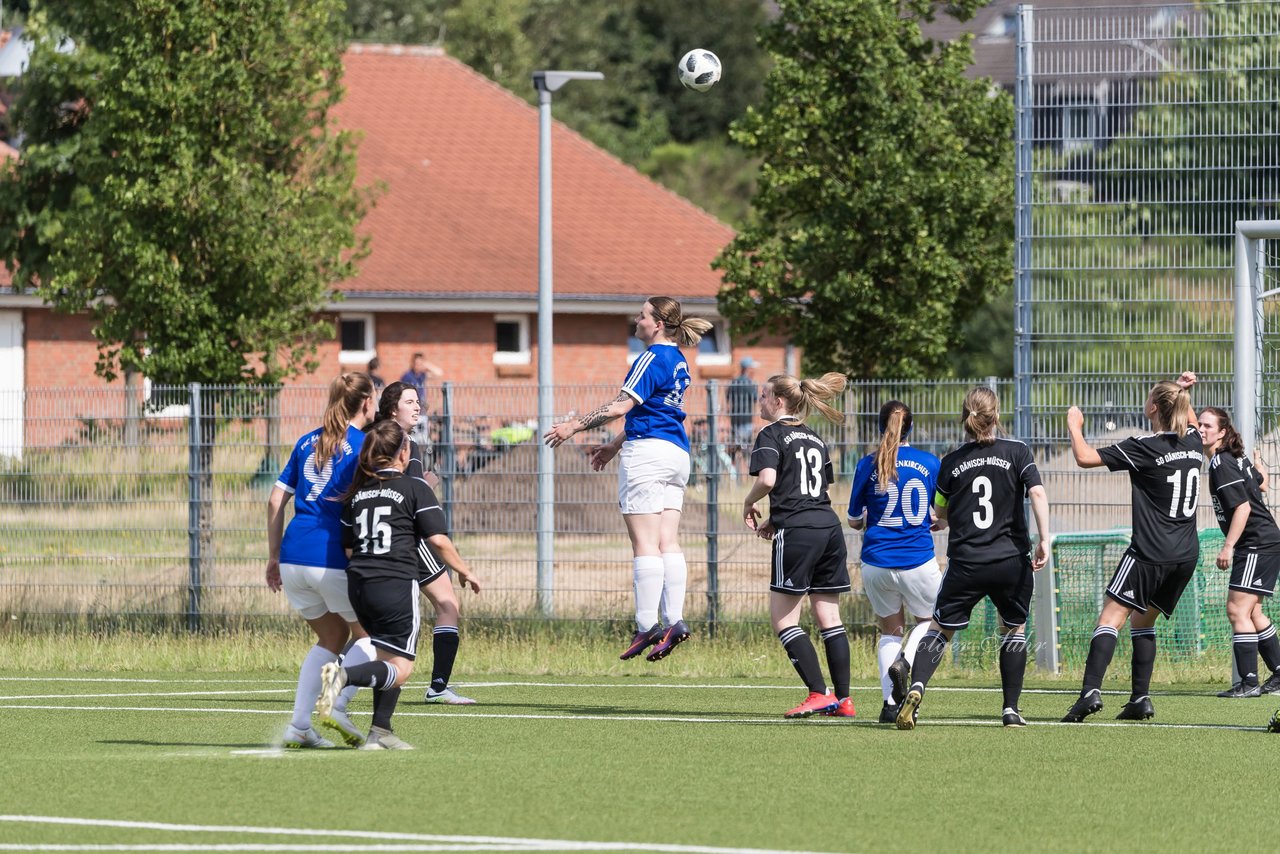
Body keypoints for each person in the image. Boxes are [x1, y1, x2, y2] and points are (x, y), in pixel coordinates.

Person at [544, 296, 712, 661]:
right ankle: (675, 620)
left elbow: (622, 405)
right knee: (668, 542)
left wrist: (573, 425)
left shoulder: (650, 357)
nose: (636, 321)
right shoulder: (679, 360)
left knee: (645, 545)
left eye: (642, 315)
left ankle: (646, 625)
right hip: (676, 455)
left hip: (648, 457)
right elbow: (653, 412)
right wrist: (615, 445)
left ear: (658, 325)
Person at [316, 420, 480, 750]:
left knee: (386, 657)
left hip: (359, 585)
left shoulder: (357, 493)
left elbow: (348, 547)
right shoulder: (414, 487)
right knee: (401, 669)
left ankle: (380, 731)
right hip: (394, 583)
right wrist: (465, 570)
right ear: (403, 453)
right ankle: (341, 677)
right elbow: (438, 540)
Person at [896, 387, 1050, 730]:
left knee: (939, 630)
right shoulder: (1017, 452)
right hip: (1010, 560)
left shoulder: (951, 462)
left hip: (966, 561)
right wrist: (1044, 539)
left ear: (964, 418)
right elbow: (1037, 492)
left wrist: (947, 517)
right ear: (996, 415)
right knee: (1014, 629)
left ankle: (917, 687)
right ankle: (1010, 709)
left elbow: (941, 511)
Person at [1061, 372, 1201, 723]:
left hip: (1149, 553)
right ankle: (1140, 698)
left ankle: (1090, 691)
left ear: (1153, 407)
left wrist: (1074, 425)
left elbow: (1084, 457)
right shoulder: (1195, 443)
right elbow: (1192, 421)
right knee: (1143, 620)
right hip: (1185, 555)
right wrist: (1182, 392)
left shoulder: (1143, 447)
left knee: (1111, 617)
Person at [266, 372, 377, 749]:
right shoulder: (362, 445)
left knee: (332, 637)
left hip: (293, 555)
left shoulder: (304, 441)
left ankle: (299, 725)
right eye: (374, 398)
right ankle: (336, 702)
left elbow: (274, 500)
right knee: (371, 638)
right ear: (365, 403)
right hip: (329, 555)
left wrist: (273, 555)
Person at [743, 372, 855, 718]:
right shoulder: (814, 438)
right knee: (829, 616)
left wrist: (748, 503)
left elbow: (769, 479)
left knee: (783, 620)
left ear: (778, 401)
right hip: (827, 526)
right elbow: (815, 490)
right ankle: (844, 700)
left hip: (800, 531)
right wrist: (775, 519)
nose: (759, 402)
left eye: (763, 396)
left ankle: (818, 693)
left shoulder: (770, 434)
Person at [373, 380, 482, 705]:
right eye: (410, 401)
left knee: (365, 622)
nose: (417, 406)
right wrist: (427, 483)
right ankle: (437, 686)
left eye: (418, 400)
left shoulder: (371, 437)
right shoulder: (405, 444)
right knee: (447, 604)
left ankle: (343, 677)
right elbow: (410, 487)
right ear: (393, 408)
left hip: (373, 534)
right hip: (408, 535)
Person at [847, 400, 942, 724]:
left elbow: (853, 520)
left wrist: (868, 518)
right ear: (910, 428)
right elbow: (939, 513)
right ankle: (906, 661)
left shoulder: (867, 464)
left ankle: (889, 704)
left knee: (890, 630)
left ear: (879, 426)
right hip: (917, 559)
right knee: (929, 622)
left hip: (876, 561)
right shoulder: (930, 463)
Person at [1198, 407, 1280, 697]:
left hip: (1255, 542)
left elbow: (1243, 508)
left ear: (1222, 432)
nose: (1201, 429)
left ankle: (1248, 683)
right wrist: (1260, 465)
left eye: (1207, 425)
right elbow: (1263, 484)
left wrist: (1228, 547)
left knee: (1236, 609)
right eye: (1198, 424)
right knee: (1252, 611)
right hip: (1265, 540)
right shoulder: (1234, 458)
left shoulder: (1222, 462)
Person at [726, 356, 758, 472]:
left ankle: (733, 473)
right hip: (746, 421)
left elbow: (728, 401)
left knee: (735, 449)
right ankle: (752, 471)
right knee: (747, 449)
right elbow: (755, 400)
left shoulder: (733, 383)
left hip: (735, 421)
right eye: (752, 368)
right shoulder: (751, 384)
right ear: (748, 368)